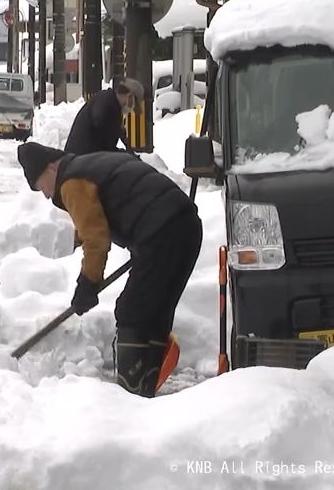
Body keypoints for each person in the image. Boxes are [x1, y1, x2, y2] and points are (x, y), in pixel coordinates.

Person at [16, 141, 203, 398]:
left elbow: (97, 239)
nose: (47, 195)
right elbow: (111, 209)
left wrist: (87, 284)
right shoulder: (91, 163)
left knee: (133, 312)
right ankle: (143, 392)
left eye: (42, 186)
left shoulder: (71, 181)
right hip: (186, 225)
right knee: (154, 314)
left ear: (51, 168)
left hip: (160, 231)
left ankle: (130, 397)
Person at [64, 78, 144, 156]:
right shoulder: (107, 100)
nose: (132, 109)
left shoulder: (112, 103)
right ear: (129, 96)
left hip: (85, 157)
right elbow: (100, 121)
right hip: (82, 159)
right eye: (134, 104)